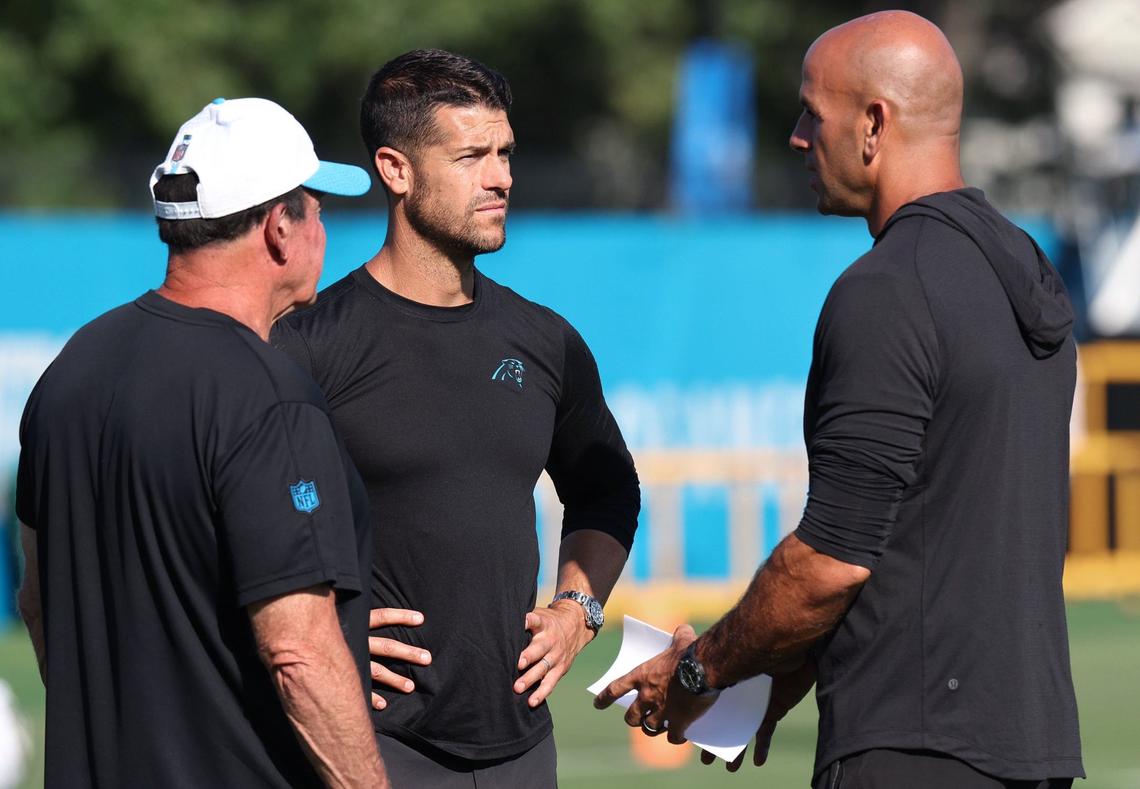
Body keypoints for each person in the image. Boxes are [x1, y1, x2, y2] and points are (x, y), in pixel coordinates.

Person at [595, 11, 1084, 789]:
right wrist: (784, 671)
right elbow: (929, 537)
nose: (797, 137)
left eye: (811, 113)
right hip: (1029, 741)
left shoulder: (890, 289)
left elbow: (832, 561)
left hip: (913, 747)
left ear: (873, 125)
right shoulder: (1020, 268)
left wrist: (696, 672)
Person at [272, 49, 640, 787]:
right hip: (370, 743)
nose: (501, 177)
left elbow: (607, 489)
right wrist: (328, 630)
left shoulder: (544, 341)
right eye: (472, 156)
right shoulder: (307, 343)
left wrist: (577, 610)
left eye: (504, 153)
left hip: (522, 746)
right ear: (396, 170)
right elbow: (237, 512)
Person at [16, 97, 390, 788]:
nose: (324, 229)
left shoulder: (70, 371)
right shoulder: (266, 395)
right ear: (281, 227)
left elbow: (38, 600)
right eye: (317, 207)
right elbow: (299, 652)